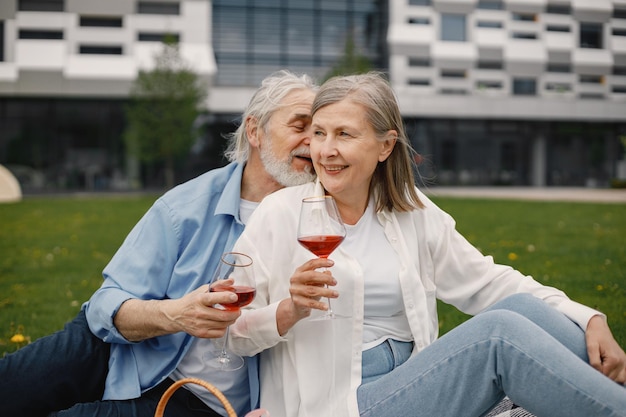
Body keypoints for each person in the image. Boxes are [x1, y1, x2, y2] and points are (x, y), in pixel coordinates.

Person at [227, 72, 626, 417]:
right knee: (498, 335)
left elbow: (490, 283)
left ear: (385, 146)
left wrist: (587, 317)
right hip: (341, 405)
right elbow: (233, 333)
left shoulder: (410, 210)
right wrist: (289, 310)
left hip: (411, 384)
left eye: (344, 134)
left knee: (518, 308)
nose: (325, 150)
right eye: (319, 133)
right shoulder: (281, 214)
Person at [0, 70, 318, 417]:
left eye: (319, 132)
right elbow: (108, 304)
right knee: (13, 384)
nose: (313, 142)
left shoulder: (317, 221)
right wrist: (177, 315)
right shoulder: (186, 206)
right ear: (255, 131)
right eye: (300, 126)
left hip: (202, 401)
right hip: (118, 349)